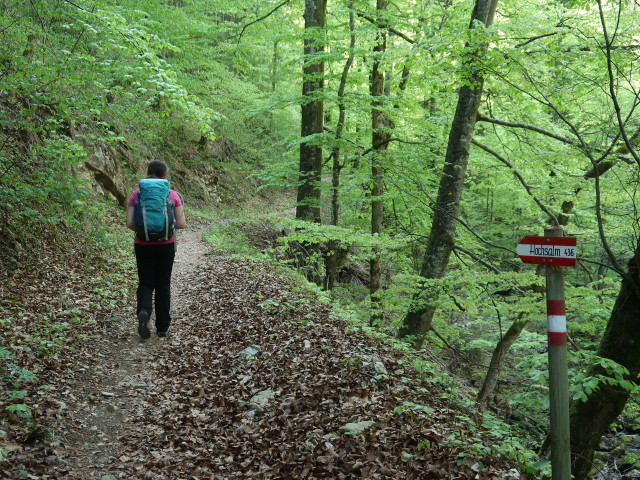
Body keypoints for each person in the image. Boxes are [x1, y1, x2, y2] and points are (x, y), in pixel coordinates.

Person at [126, 160, 187, 339]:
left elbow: (130, 223)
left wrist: (144, 229)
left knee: (145, 283)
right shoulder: (172, 195)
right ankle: (162, 327)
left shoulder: (137, 194)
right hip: (166, 245)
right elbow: (182, 224)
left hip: (142, 244)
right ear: (164, 175)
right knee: (163, 284)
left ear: (148, 173)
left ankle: (144, 311)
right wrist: (169, 225)